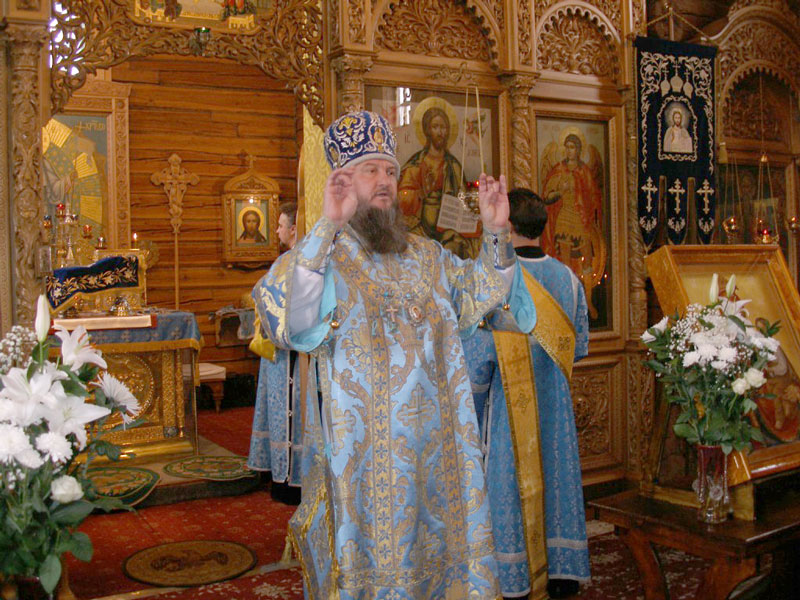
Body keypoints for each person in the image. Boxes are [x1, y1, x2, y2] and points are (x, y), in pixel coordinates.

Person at [252, 110, 535, 599]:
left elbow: (492, 300)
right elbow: (293, 324)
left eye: (390, 170)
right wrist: (326, 227)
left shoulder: (428, 256)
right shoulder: (323, 259)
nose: (385, 181)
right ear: (343, 181)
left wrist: (495, 233)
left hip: (442, 456)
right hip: (365, 461)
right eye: (371, 171)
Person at [462, 188, 590, 599]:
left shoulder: (494, 281)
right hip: (556, 409)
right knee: (557, 481)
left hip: (506, 410)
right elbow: (579, 347)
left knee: (508, 488)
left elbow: (477, 361)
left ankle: (515, 580)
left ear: (508, 225)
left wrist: (471, 407)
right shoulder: (569, 280)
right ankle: (562, 574)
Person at [248, 200, 302, 505]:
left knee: (290, 413)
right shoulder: (294, 261)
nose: (277, 231)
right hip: (292, 351)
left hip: (287, 353)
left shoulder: (289, 262)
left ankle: (287, 480)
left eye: (281, 225)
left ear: (293, 229)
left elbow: (263, 294)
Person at [398, 100, 480, 258]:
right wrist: (420, 193)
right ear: (427, 130)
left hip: (448, 230)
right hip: (419, 228)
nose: (440, 132)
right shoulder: (416, 164)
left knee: (454, 249)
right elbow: (402, 198)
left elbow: (464, 202)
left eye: (443, 127)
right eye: (435, 127)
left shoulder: (453, 166)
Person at [540, 132, 603, 319]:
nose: (569, 151)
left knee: (587, 260)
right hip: (565, 218)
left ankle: (588, 301)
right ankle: (569, 302)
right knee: (566, 264)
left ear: (579, 150)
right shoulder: (559, 170)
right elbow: (547, 197)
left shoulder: (585, 171)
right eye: (567, 147)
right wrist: (560, 192)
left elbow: (594, 196)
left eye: (573, 147)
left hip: (581, 220)